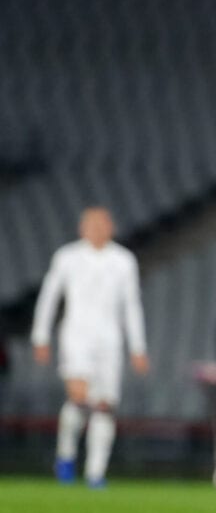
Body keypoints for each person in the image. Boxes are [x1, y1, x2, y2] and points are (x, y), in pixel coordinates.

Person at [31, 206, 149, 488]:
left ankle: (96, 473)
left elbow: (131, 305)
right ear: (82, 228)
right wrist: (40, 336)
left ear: (112, 227)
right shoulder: (67, 257)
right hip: (76, 336)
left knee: (104, 405)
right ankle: (66, 456)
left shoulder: (123, 260)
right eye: (92, 224)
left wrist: (138, 346)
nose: (97, 229)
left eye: (102, 223)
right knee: (79, 398)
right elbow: (50, 296)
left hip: (109, 340)